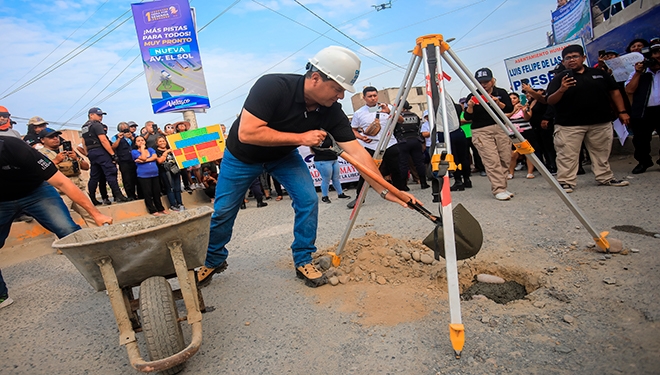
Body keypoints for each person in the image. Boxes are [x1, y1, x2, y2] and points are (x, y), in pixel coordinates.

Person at [199, 46, 417, 288]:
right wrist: (301, 138)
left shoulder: (331, 111)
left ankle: (303, 258)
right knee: (223, 211)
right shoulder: (272, 87)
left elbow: (358, 154)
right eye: (337, 89)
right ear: (315, 78)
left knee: (308, 200)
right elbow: (248, 133)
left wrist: (388, 190)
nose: (341, 96)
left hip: (282, 157)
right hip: (241, 157)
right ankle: (213, 259)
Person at [0, 136, 113, 309]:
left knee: (68, 231)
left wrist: (95, 214)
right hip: (2, 202)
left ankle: (107, 279)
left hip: (36, 193)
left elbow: (62, 182)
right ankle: (1, 295)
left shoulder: (14, 147)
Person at [546, 44, 630, 193]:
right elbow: (550, 100)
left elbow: (614, 92)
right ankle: (566, 182)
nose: (572, 60)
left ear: (583, 58)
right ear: (563, 61)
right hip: (569, 125)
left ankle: (605, 177)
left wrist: (622, 111)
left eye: (575, 56)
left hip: (600, 122)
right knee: (567, 155)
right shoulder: (559, 78)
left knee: (601, 152)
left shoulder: (599, 74)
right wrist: (562, 89)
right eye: (568, 58)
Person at [346, 86, 406, 209]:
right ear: (364, 98)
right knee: (366, 172)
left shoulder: (388, 107)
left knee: (396, 169)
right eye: (370, 96)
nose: (373, 98)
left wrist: (390, 112)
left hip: (389, 143)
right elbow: (353, 130)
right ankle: (359, 198)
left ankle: (401, 193)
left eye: (375, 95)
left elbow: (401, 120)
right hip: (370, 145)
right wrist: (361, 138)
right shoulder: (359, 113)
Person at [464, 68, 514, 201]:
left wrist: (497, 102)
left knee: (505, 158)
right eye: (480, 82)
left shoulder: (501, 92)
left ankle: (502, 185)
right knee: (492, 160)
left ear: (492, 80)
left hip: (500, 127)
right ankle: (498, 189)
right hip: (481, 131)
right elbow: (468, 117)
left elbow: (509, 108)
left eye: (486, 81)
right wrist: (470, 106)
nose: (484, 85)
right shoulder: (472, 95)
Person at [37, 128, 98, 226]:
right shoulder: (39, 154)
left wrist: (76, 158)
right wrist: (56, 161)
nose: (55, 139)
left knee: (92, 215)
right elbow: (39, 172)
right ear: (43, 140)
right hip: (59, 193)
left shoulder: (67, 150)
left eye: (56, 136)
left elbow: (86, 167)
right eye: (51, 137)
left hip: (78, 189)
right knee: (62, 223)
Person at [625, 42, 660, 173]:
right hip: (644, 110)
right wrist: (638, 73)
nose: (656, 57)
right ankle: (644, 161)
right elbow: (629, 90)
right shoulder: (640, 72)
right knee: (640, 139)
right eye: (654, 54)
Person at [82, 107, 129, 203]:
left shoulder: (84, 127)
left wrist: (87, 154)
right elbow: (103, 140)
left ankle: (92, 198)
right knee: (111, 172)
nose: (101, 117)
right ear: (91, 115)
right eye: (98, 115)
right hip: (100, 151)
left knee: (94, 176)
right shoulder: (97, 125)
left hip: (92, 152)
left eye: (101, 115)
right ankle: (118, 196)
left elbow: (83, 142)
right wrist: (112, 154)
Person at [395, 101, 429, 190]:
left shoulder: (398, 117)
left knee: (403, 164)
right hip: (416, 140)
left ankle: (404, 185)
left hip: (403, 142)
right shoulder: (415, 115)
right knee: (419, 163)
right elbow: (419, 127)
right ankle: (423, 182)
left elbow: (393, 130)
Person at [132, 136, 167, 216]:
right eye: (138, 141)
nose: (141, 142)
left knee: (156, 192)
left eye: (142, 140)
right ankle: (152, 210)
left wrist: (143, 161)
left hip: (154, 174)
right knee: (147, 193)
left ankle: (160, 208)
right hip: (143, 175)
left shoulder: (151, 149)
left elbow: (154, 157)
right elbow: (143, 157)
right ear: (135, 143)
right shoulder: (134, 152)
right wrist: (142, 149)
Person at [505, 92, 536, 180]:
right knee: (513, 155)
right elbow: (505, 117)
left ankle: (530, 172)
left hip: (526, 132)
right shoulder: (507, 109)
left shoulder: (525, 107)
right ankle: (511, 173)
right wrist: (514, 110)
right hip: (513, 134)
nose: (512, 100)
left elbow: (527, 118)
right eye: (510, 98)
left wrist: (524, 110)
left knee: (528, 153)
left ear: (518, 99)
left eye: (514, 98)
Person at [111, 122, 139, 201]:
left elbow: (138, 144)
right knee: (127, 178)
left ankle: (138, 193)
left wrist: (132, 138)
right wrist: (119, 138)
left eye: (126, 127)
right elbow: (113, 147)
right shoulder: (115, 137)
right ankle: (130, 195)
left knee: (136, 177)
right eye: (123, 129)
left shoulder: (134, 135)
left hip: (134, 159)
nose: (125, 130)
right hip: (123, 161)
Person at [155, 136, 184, 211]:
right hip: (165, 172)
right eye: (160, 141)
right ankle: (173, 205)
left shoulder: (171, 149)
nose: (162, 143)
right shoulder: (156, 151)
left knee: (177, 188)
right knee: (170, 188)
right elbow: (160, 161)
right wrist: (166, 152)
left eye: (163, 141)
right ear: (157, 143)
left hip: (175, 171)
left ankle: (180, 204)